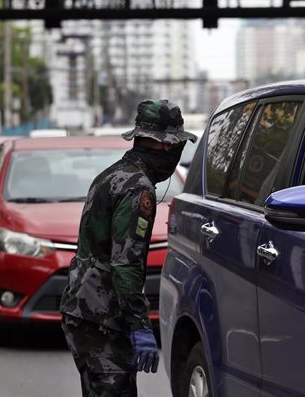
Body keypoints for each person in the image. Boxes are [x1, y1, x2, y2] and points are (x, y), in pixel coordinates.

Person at [59, 99, 197, 397]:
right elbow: (125, 264)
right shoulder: (138, 188)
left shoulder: (112, 174)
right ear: (163, 146)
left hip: (84, 307)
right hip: (102, 315)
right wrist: (140, 326)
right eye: (176, 145)